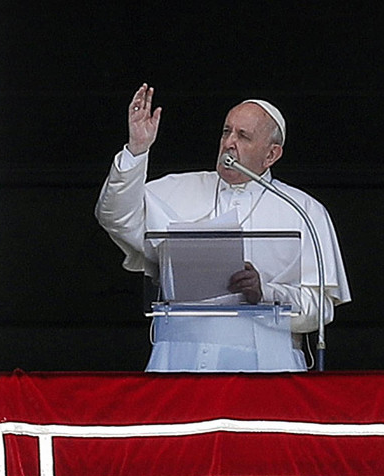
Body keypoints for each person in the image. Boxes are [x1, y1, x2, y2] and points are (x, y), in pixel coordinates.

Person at [95, 84, 351, 372]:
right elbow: (114, 216)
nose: (229, 142)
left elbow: (320, 308)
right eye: (226, 131)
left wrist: (264, 293)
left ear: (271, 155)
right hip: (181, 359)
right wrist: (136, 151)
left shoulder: (303, 210)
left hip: (267, 364)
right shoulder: (177, 188)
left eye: (243, 136)